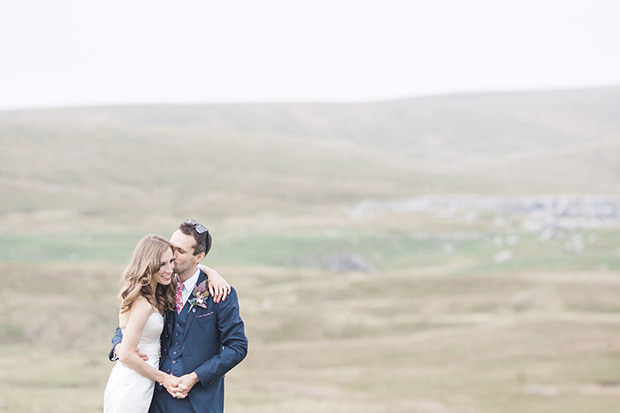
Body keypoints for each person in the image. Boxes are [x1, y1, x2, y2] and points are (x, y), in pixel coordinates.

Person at [110, 219, 248, 413]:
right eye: (171, 247)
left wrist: (196, 376)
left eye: (180, 252)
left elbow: (238, 347)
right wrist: (120, 348)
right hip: (152, 397)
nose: (171, 256)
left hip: (198, 401)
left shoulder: (219, 292)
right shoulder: (159, 285)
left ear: (198, 257)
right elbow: (130, 325)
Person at [103, 234, 182, 412]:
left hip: (144, 379)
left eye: (171, 261)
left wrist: (212, 274)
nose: (169, 269)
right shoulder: (141, 303)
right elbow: (126, 355)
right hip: (132, 381)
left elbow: (191, 269)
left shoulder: (156, 294)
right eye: (162, 264)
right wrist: (164, 378)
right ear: (148, 264)